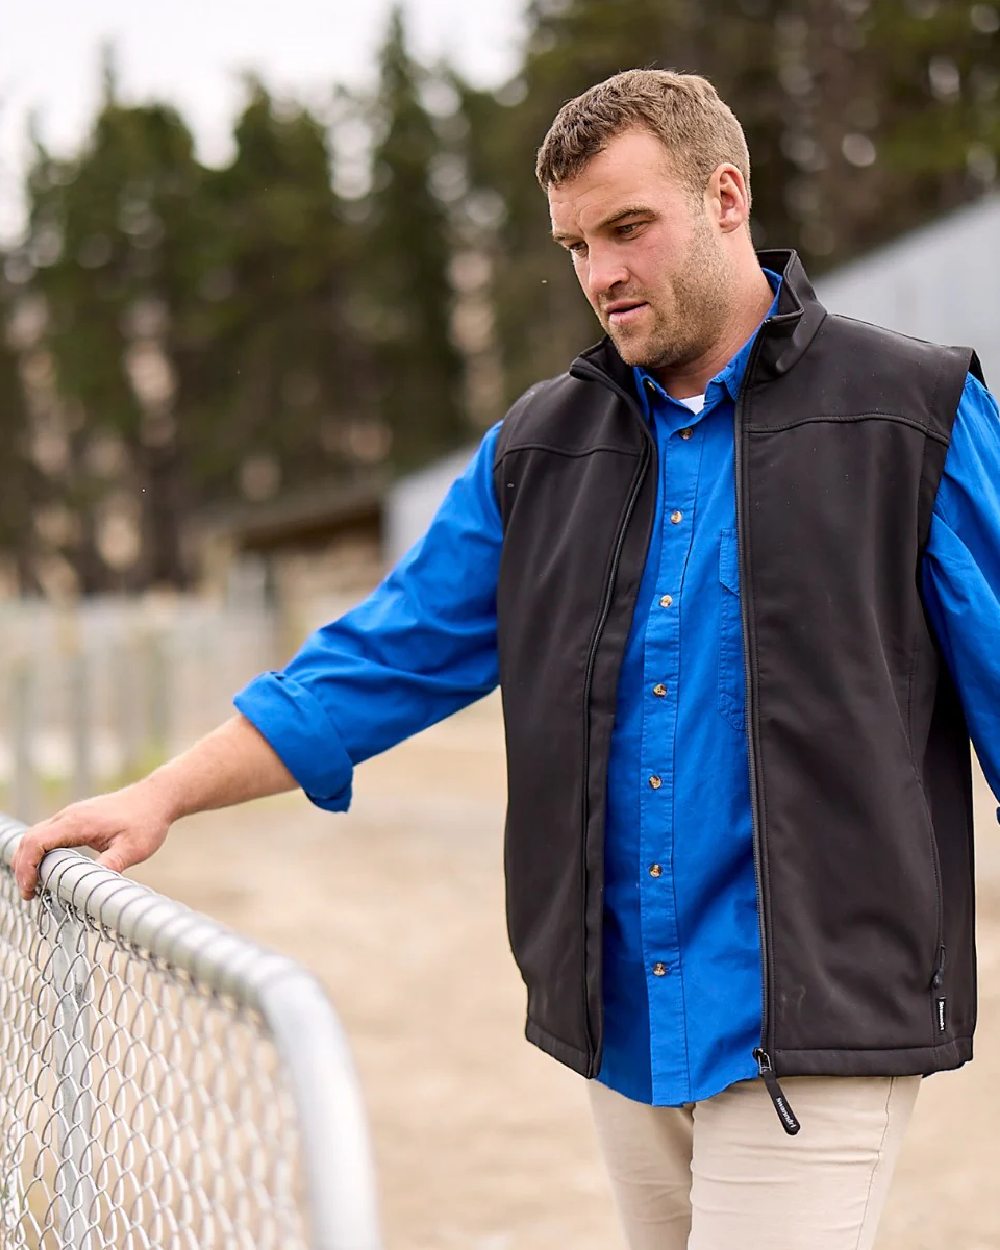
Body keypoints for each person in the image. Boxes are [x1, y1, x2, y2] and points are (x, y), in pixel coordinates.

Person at [12, 68, 1000, 1250]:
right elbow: (378, 659)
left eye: (628, 227)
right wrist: (159, 790)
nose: (600, 275)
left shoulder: (914, 412)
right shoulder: (537, 452)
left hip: (817, 1022)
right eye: (576, 243)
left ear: (725, 197)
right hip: (624, 1025)